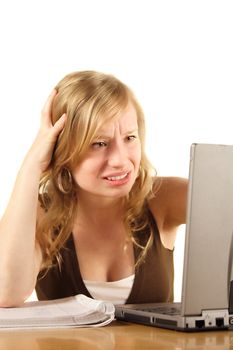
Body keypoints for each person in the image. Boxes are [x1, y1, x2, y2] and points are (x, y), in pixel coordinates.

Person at [0, 71, 187, 307]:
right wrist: (32, 165)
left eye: (130, 138)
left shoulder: (164, 198)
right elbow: (5, 293)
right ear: (63, 150)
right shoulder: (41, 213)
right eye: (99, 144)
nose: (120, 159)